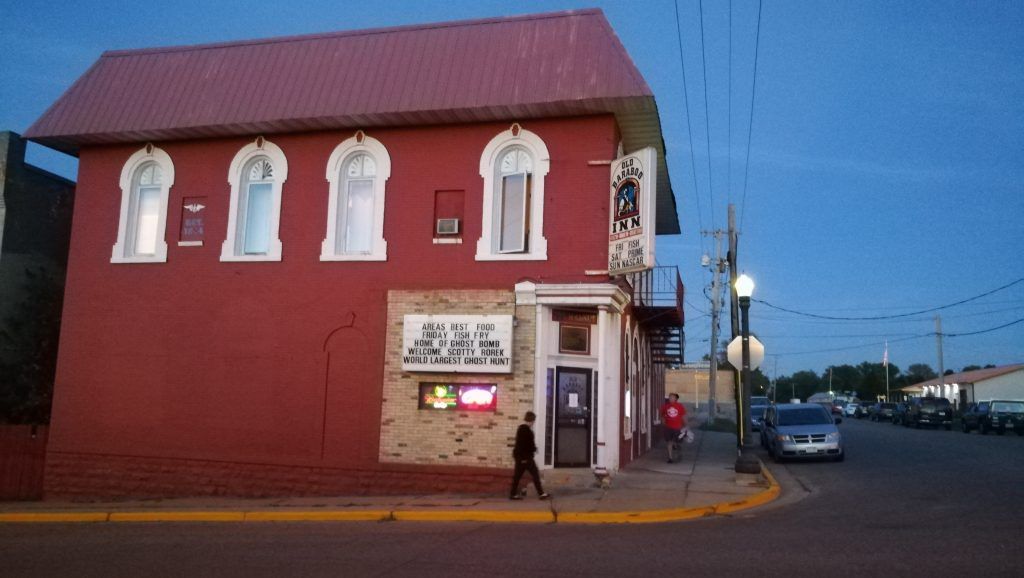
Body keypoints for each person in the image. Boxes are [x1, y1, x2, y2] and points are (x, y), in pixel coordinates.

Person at [510, 411, 549, 500]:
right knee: (535, 474)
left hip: (521, 457)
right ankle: (541, 494)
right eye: (533, 421)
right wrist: (533, 450)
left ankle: (513, 494)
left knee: (517, 476)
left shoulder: (520, 429)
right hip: (526, 458)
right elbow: (526, 445)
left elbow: (519, 445)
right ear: (531, 420)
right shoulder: (527, 431)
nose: (533, 423)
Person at [660, 393, 687, 463]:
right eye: (670, 397)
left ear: (675, 399)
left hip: (677, 427)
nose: (670, 398)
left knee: (678, 442)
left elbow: (683, 416)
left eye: (672, 397)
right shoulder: (665, 406)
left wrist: (686, 425)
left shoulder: (680, 406)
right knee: (669, 442)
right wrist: (663, 423)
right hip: (668, 427)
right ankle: (670, 457)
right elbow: (662, 415)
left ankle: (678, 453)